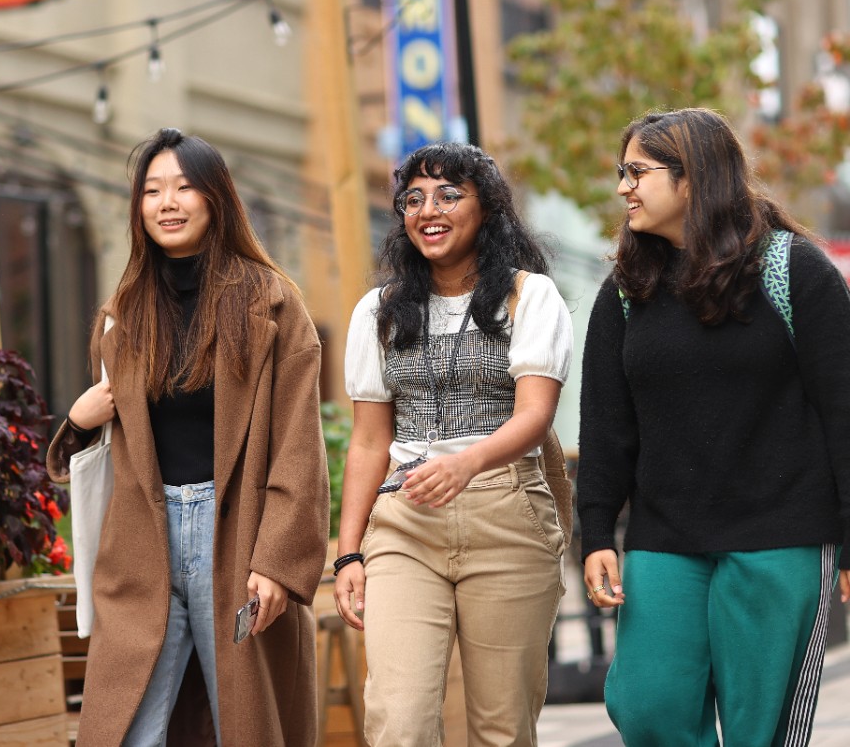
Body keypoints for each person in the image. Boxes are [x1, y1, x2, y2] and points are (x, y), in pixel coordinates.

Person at [46, 128, 329, 747]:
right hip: (143, 540)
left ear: (215, 199)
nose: (166, 202)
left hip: (239, 535)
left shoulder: (273, 305)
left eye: (183, 186)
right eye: (151, 190)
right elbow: (102, 449)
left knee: (242, 724)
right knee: (127, 728)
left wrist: (277, 562)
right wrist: (79, 419)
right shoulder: (122, 315)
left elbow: (300, 449)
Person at [579, 107, 850, 746]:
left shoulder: (795, 272)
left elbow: (845, 412)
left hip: (782, 536)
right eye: (623, 173)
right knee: (648, 705)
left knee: (764, 730)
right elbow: (606, 424)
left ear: (694, 178)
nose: (624, 188)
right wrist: (595, 531)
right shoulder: (626, 290)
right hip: (665, 540)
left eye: (637, 172)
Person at [334, 141, 573, 745]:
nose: (427, 209)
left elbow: (535, 415)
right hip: (405, 521)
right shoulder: (378, 313)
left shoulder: (530, 297)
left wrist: (466, 464)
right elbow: (366, 443)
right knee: (400, 721)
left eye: (447, 194)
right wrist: (347, 555)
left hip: (507, 514)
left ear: (487, 210)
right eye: (413, 199)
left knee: (501, 728)